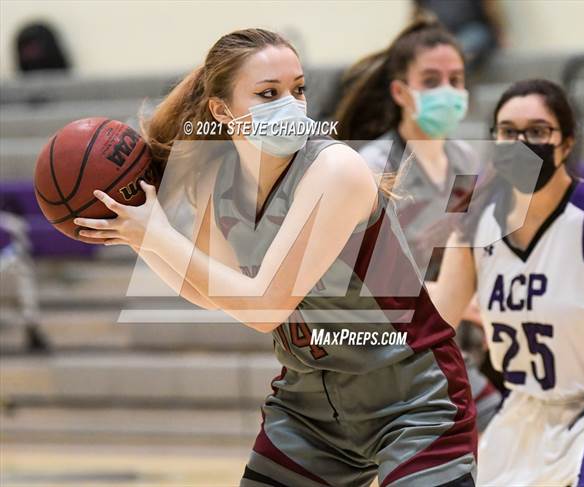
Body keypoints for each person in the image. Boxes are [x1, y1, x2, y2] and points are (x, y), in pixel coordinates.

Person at [74, 28, 477, 487]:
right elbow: (211, 291)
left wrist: (157, 234)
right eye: (269, 93)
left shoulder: (335, 169)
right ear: (221, 110)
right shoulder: (219, 177)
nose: (291, 105)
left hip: (411, 397)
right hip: (310, 408)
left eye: (297, 90)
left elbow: (265, 308)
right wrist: (139, 237)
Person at [434, 78, 584, 486]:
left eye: (537, 131)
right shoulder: (474, 219)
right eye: (508, 132)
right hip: (527, 410)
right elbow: (436, 321)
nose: (521, 143)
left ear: (566, 143)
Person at [335, 19, 501, 433]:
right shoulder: (373, 167)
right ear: (400, 92)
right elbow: (362, 278)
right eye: (431, 80)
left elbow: (460, 246)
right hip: (386, 345)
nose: (446, 90)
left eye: (455, 80)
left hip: (449, 339)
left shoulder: (466, 162)